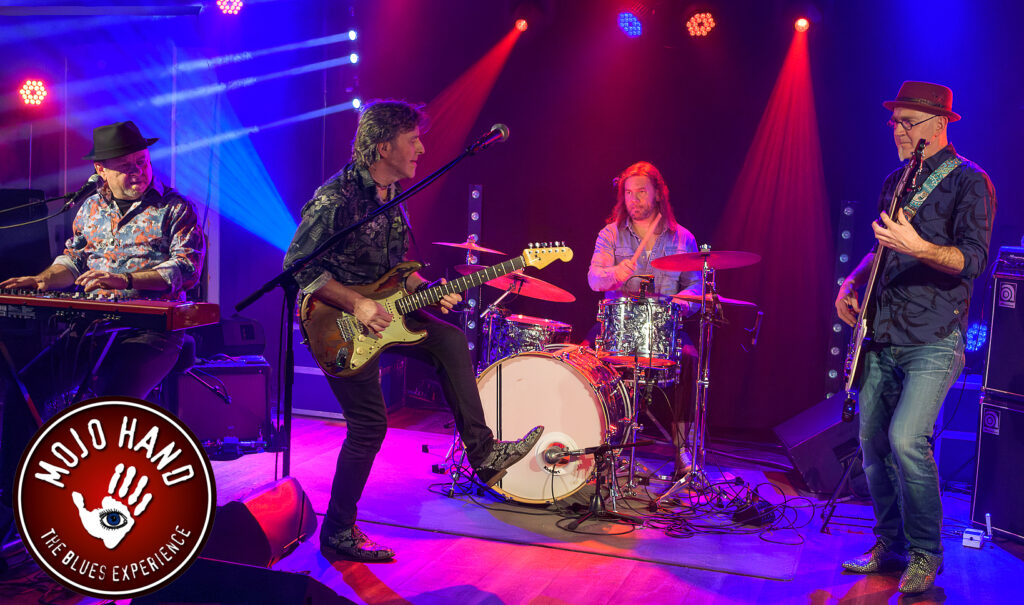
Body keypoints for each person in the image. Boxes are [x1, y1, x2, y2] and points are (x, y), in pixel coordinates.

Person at [283, 100, 542, 562]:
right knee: (369, 426)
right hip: (336, 325)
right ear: (383, 146)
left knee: (448, 339)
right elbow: (298, 266)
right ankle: (337, 532)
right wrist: (357, 304)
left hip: (386, 314)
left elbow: (398, 272)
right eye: (413, 140)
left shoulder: (395, 199)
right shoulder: (335, 198)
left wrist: (427, 290)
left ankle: (484, 455)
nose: (421, 149)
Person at [835, 81, 996, 594]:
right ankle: (890, 543)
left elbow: (973, 260)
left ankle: (927, 552)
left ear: (939, 124)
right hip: (882, 331)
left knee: (908, 439)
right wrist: (851, 281)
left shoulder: (971, 182)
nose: (898, 132)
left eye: (908, 123)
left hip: (934, 334)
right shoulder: (895, 181)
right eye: (895, 122)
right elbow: (882, 247)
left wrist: (920, 246)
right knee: (871, 443)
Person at [0, 120, 205, 507]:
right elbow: (72, 261)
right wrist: (42, 280)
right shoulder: (90, 207)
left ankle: (109, 504)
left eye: (142, 162)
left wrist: (124, 279)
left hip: (152, 332)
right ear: (101, 170)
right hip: (93, 327)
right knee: (25, 389)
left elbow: (187, 268)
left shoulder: (175, 209)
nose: (138, 171)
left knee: (108, 405)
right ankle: (15, 499)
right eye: (125, 166)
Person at [587, 161, 701, 480]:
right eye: (628, 193)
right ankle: (598, 443)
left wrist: (679, 303)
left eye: (641, 192)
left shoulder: (682, 238)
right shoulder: (610, 234)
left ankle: (682, 449)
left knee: (690, 359)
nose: (633, 199)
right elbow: (594, 278)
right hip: (616, 327)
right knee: (584, 358)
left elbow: (696, 286)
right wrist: (615, 273)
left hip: (663, 328)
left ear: (658, 194)